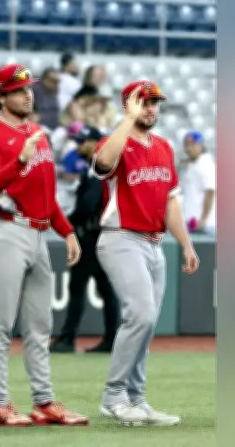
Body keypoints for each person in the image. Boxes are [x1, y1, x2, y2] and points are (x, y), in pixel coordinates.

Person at [0, 64, 88, 427]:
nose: (27, 95)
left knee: (40, 325)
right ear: (1, 97)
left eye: (28, 89)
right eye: (18, 90)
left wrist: (66, 230)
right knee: (1, 325)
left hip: (38, 233)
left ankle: (44, 401)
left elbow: (46, 194)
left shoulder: (39, 132)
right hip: (6, 231)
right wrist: (18, 161)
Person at [92, 81, 199, 427]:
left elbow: (171, 202)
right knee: (140, 313)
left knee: (147, 322)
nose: (151, 108)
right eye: (145, 102)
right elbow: (102, 162)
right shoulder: (118, 142)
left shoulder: (165, 147)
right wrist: (127, 120)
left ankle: (136, 399)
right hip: (121, 237)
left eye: (155, 103)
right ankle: (113, 397)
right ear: (129, 106)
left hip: (153, 243)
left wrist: (185, 243)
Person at [50, 126, 120, 354]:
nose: (78, 146)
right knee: (106, 289)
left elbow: (89, 204)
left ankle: (68, 338)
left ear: (94, 142)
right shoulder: (99, 166)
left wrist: (69, 219)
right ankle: (111, 339)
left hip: (91, 235)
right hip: (101, 235)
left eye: (82, 142)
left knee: (78, 287)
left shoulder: (99, 167)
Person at [180, 131, 216, 235]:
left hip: (205, 225)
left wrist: (203, 219)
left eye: (193, 144)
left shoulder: (205, 164)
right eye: (187, 145)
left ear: (200, 145)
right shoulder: (190, 164)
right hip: (191, 222)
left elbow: (210, 191)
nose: (189, 148)